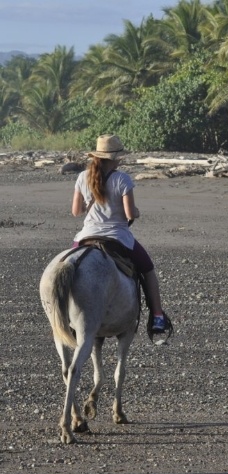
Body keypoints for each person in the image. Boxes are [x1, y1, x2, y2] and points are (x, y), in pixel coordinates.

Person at [71, 134, 168, 335]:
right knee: (148, 270)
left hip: (86, 236)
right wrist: (137, 212)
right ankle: (158, 316)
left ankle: (67, 319)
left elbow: (76, 211)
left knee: (68, 268)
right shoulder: (122, 179)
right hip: (118, 236)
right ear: (115, 158)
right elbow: (130, 214)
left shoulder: (82, 177)